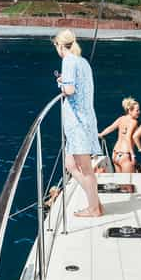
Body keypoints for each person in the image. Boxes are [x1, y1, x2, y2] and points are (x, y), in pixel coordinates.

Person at [53, 29, 103, 217]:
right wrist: (64, 81)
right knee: (70, 164)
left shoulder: (68, 60)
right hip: (84, 120)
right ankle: (95, 202)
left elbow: (71, 90)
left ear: (59, 45)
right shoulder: (83, 62)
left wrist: (62, 84)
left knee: (85, 168)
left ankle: (94, 208)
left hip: (78, 122)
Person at [99, 97, 140, 173]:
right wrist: (133, 155)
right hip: (125, 155)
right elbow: (128, 137)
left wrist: (101, 134)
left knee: (121, 183)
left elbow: (110, 128)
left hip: (115, 154)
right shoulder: (133, 122)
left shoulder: (121, 119)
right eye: (137, 110)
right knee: (128, 184)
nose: (139, 112)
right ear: (129, 111)